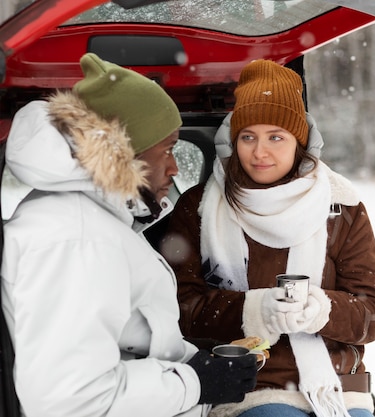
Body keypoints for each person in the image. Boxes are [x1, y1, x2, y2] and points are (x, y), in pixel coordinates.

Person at [0, 52, 258, 417]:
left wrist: (194, 360)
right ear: (123, 154)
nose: (173, 167)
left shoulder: (87, 218)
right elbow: (70, 401)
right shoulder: (77, 238)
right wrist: (196, 383)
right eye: (167, 149)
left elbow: (124, 340)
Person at [161, 59, 375, 417]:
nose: (260, 151)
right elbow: (179, 308)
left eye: (276, 137)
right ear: (232, 141)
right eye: (248, 136)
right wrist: (255, 311)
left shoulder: (340, 206)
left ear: (300, 142)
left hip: (335, 385)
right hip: (249, 383)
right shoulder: (200, 206)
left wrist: (322, 310)